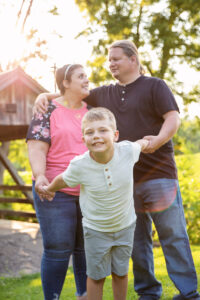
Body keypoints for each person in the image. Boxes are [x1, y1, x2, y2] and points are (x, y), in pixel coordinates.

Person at [34, 40, 200, 300]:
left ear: (133, 59)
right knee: (138, 242)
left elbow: (173, 117)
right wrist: (44, 95)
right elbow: (72, 93)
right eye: (108, 60)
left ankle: (189, 294)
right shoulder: (105, 93)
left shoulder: (155, 85)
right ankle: (148, 293)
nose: (110, 63)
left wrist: (157, 140)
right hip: (127, 182)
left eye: (116, 58)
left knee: (173, 235)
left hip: (159, 174)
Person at [42, 107, 149, 300]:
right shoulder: (79, 165)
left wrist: (152, 140)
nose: (96, 136)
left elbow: (141, 144)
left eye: (102, 130)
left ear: (115, 135)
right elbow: (63, 179)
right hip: (96, 230)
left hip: (125, 226)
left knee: (121, 272)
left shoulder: (127, 150)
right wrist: (50, 189)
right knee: (96, 276)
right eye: (90, 132)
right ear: (83, 140)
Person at [26, 64, 90, 300]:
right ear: (65, 82)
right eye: (81, 76)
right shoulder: (47, 110)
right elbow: (36, 147)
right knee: (58, 248)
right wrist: (40, 174)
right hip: (53, 189)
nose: (87, 79)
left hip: (88, 191)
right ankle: (52, 297)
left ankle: (85, 296)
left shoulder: (92, 109)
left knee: (85, 249)